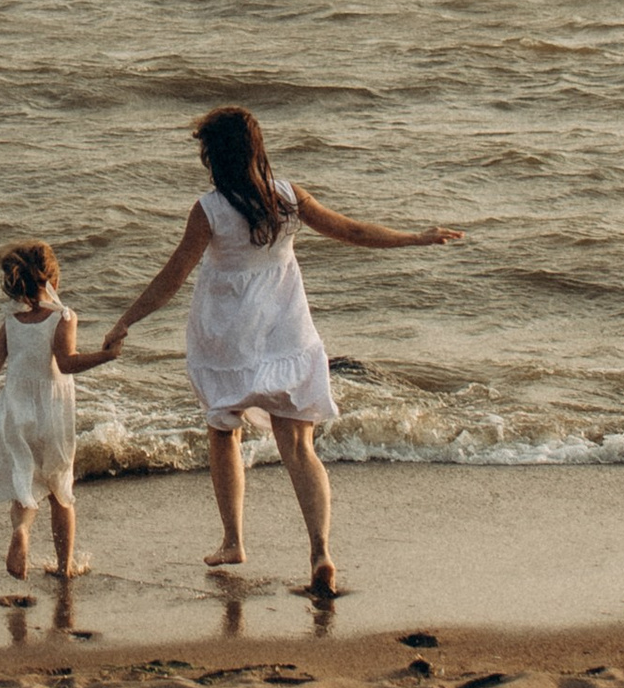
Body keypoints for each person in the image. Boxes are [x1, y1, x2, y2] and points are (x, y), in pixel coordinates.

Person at [100, 106, 462, 598]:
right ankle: (320, 552)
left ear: (214, 156)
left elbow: (173, 275)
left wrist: (126, 320)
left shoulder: (209, 209)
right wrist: (415, 238)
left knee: (223, 429)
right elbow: (351, 231)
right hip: (287, 333)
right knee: (299, 447)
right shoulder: (288, 198)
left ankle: (233, 540)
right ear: (257, 149)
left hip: (228, 337)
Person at [0, 239, 118, 588]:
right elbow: (67, 363)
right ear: (53, 278)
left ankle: (21, 532)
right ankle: (65, 567)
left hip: (17, 411)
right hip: (52, 411)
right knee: (60, 489)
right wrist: (106, 355)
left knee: (25, 483)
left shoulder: (11, 323)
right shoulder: (63, 317)